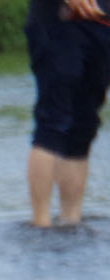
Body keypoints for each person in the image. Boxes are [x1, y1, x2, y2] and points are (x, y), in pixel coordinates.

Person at [30, 0, 110, 226]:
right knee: (53, 122)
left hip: (102, 24)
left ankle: (71, 222)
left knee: (84, 126)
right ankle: (40, 223)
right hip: (57, 21)